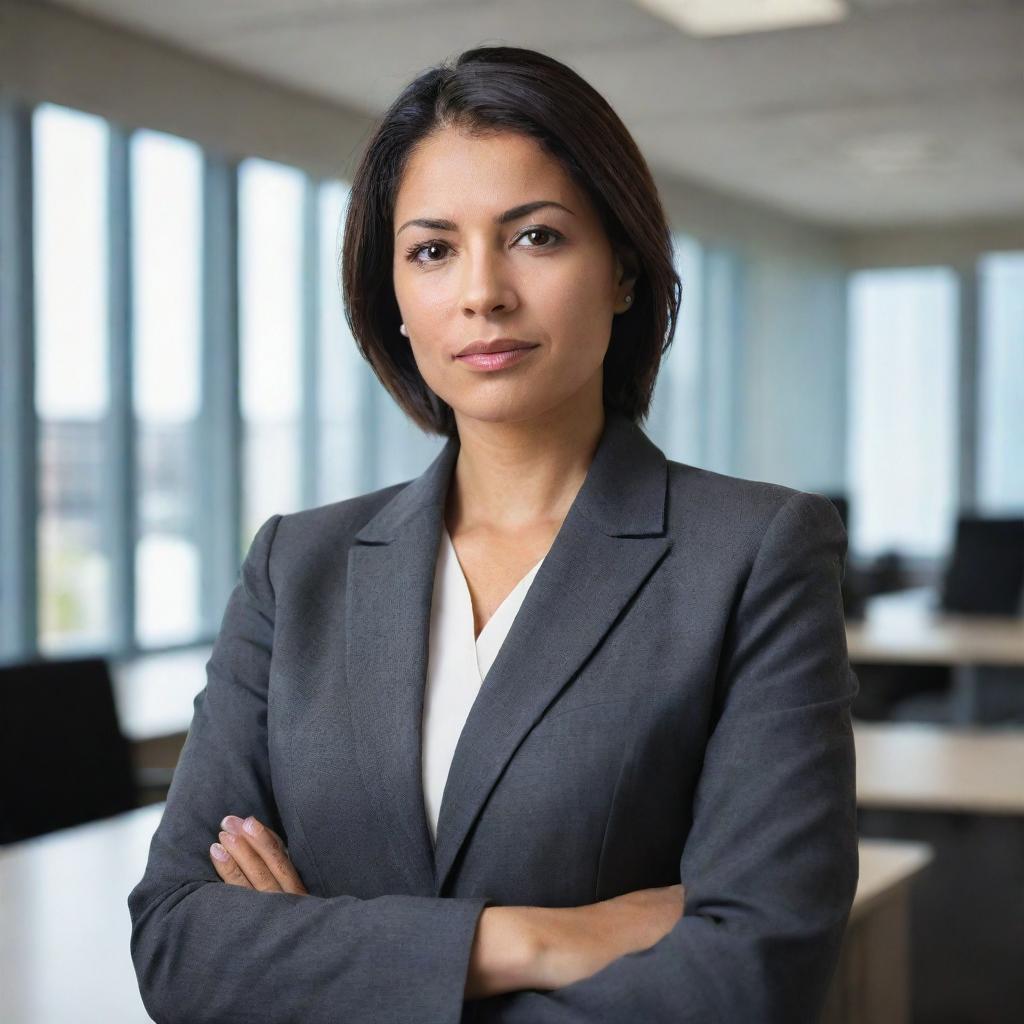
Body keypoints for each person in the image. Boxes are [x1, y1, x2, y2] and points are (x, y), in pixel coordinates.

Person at [128, 44, 858, 1024]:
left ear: (624, 271)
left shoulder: (754, 551)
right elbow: (180, 942)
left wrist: (329, 965)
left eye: (536, 237)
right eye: (432, 249)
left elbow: (748, 975)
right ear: (390, 295)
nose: (482, 292)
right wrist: (531, 939)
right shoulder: (295, 566)